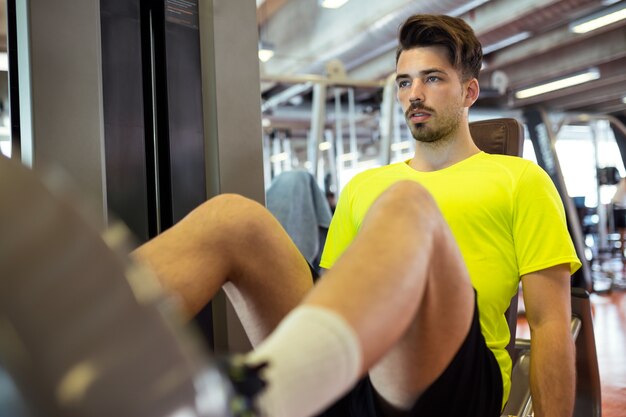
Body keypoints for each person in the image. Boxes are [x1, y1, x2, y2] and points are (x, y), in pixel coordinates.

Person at [318, 13, 581, 417]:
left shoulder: (521, 181)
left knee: (404, 203)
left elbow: (550, 325)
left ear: (469, 92)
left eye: (433, 79)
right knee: (234, 221)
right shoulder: (361, 186)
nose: (414, 94)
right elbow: (331, 307)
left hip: (462, 385)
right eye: (405, 82)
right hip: (360, 376)